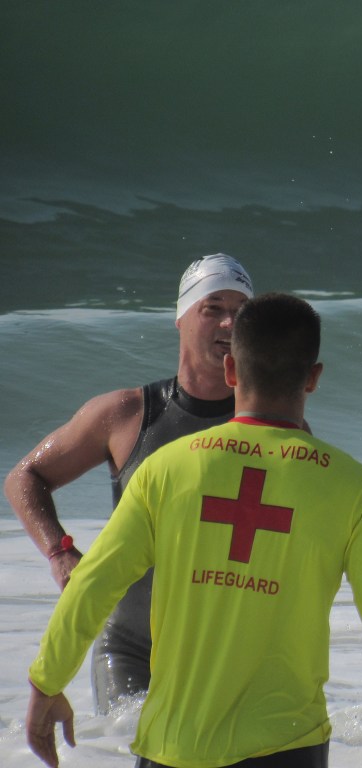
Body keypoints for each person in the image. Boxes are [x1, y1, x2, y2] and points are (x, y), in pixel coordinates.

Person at [25, 293, 362, 768]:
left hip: (174, 746)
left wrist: (47, 683)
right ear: (313, 378)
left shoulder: (165, 470)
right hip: (289, 749)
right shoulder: (351, 488)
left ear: (231, 370)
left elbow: (94, 585)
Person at [5, 253, 256, 714]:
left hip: (229, 656)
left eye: (241, 312)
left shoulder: (270, 427)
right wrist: (60, 553)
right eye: (213, 307)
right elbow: (25, 477)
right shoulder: (126, 415)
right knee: (129, 748)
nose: (228, 322)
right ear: (181, 317)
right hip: (131, 651)